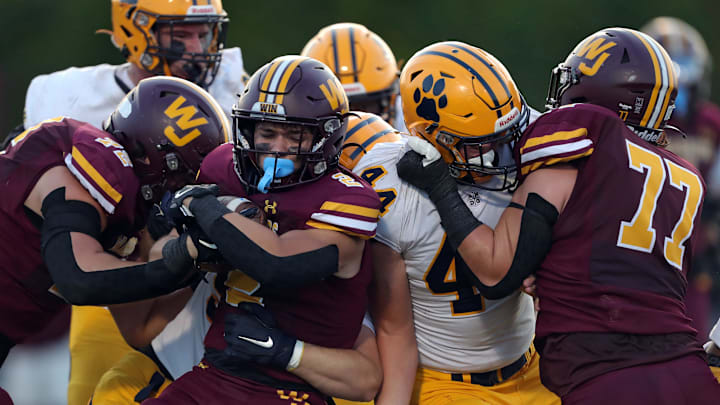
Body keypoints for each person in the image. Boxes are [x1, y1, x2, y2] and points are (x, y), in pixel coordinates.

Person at [396, 28, 720, 404]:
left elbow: (496, 272)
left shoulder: (579, 135)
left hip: (605, 376)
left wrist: (439, 186)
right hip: (688, 369)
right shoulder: (685, 177)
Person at [13, 1, 248, 403]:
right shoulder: (69, 97)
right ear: (136, 28)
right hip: (104, 273)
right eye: (181, 34)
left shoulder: (235, 90)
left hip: (195, 283)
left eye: (203, 33)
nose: (196, 47)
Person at [144, 55, 382, 404]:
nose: (276, 148)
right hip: (217, 372)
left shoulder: (345, 197)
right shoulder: (224, 168)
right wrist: (190, 245)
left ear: (324, 136)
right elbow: (157, 256)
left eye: (294, 134)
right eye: (267, 132)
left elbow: (278, 262)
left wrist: (204, 207)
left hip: (295, 388)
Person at [352, 41, 558, 405]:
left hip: (535, 366)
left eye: (507, 136)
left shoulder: (527, 153)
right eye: (486, 143)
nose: (504, 155)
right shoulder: (388, 191)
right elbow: (393, 329)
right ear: (433, 140)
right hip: (447, 384)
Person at [301, 23, 405, 131]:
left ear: (391, 99)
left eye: (364, 108)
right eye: (337, 113)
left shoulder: (409, 126)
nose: (352, 123)